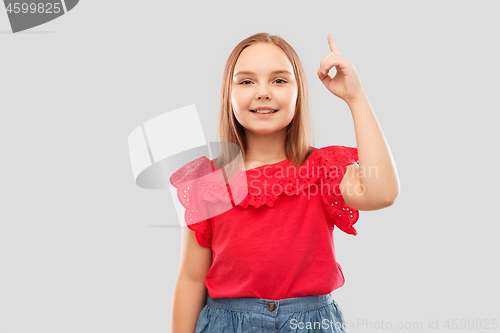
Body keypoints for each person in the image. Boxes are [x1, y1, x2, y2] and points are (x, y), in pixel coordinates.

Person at [170, 32, 400, 333]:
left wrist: (355, 98)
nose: (263, 92)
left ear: (298, 92)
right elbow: (191, 278)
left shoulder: (322, 170)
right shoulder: (209, 182)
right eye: (246, 81)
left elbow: (382, 192)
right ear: (228, 93)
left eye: (279, 80)